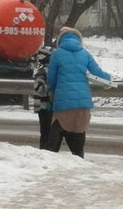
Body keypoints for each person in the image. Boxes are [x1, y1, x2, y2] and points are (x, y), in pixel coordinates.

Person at [46, 27, 111, 158]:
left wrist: (51, 92)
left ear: (61, 40)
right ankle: (79, 157)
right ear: (78, 40)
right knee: (78, 131)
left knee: (56, 132)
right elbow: (97, 72)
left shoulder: (57, 54)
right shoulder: (85, 53)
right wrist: (109, 79)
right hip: (83, 102)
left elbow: (51, 79)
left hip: (63, 101)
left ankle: (50, 159)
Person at [32, 45, 54, 150]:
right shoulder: (48, 70)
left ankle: (44, 148)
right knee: (49, 130)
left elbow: (37, 90)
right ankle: (47, 149)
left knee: (44, 130)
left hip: (42, 104)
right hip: (48, 104)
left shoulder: (41, 71)